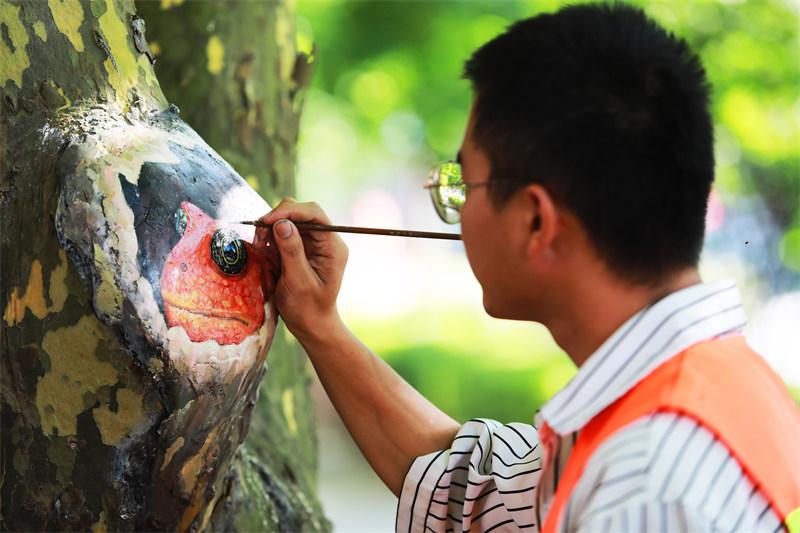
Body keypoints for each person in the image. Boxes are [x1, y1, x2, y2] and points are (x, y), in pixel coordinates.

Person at [253, 3, 800, 532]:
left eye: (463, 184)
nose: (458, 211)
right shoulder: (705, 386)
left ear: (536, 221)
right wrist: (320, 326)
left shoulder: (650, 483)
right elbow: (475, 495)